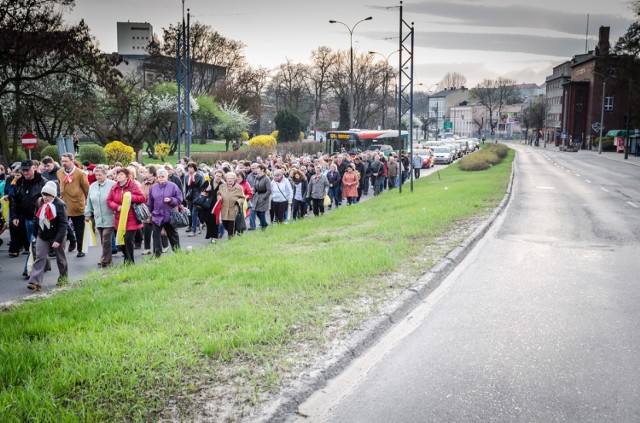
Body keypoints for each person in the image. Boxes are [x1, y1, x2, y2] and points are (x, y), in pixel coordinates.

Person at [27, 181, 68, 290]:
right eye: (44, 194)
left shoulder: (60, 204)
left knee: (61, 258)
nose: (45, 197)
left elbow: (63, 224)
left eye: (48, 195)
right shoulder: (40, 201)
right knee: (40, 257)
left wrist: (58, 240)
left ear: (53, 195)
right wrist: (35, 234)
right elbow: (36, 218)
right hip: (42, 234)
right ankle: (35, 282)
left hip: (57, 235)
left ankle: (63, 278)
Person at [10, 160, 46, 276]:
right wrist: (15, 216)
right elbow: (14, 200)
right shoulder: (19, 182)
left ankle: (28, 268)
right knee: (36, 244)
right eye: (23, 170)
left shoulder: (42, 182)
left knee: (33, 242)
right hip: (26, 218)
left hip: (40, 218)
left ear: (34, 168)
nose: (25, 173)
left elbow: (50, 199)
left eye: (27, 170)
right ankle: (42, 264)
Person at [107, 167, 145, 265]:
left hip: (132, 218)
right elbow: (109, 200)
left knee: (128, 239)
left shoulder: (133, 185)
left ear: (127, 176)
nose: (118, 176)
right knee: (121, 240)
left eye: (121, 175)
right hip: (119, 218)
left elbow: (142, 198)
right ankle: (126, 260)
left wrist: (130, 197)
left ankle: (130, 262)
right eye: (117, 175)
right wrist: (117, 207)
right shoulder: (114, 187)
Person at [57, 153, 90, 257]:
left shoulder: (80, 173)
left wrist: (85, 203)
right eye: (62, 161)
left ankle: (81, 249)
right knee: (62, 226)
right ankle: (70, 241)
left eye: (66, 161)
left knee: (79, 229)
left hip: (77, 205)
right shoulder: (59, 172)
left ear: (72, 161)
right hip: (63, 204)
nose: (64, 163)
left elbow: (86, 189)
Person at [85, 165, 116, 268]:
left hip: (110, 216)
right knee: (103, 240)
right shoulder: (92, 186)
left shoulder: (112, 185)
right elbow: (88, 201)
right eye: (96, 175)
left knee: (106, 237)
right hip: (98, 217)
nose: (98, 177)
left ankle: (104, 259)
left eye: (100, 175)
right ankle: (109, 259)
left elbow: (117, 199)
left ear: (105, 175)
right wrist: (88, 213)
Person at [147, 168, 182, 258]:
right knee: (155, 235)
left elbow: (179, 199)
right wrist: (149, 212)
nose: (161, 178)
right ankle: (156, 254)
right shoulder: (153, 187)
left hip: (169, 215)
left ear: (167, 177)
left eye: (163, 176)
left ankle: (178, 253)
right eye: (159, 176)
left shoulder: (173, 186)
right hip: (157, 215)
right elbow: (150, 202)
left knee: (173, 234)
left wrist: (171, 200)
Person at [216, 172, 245, 238]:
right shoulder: (221, 186)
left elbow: (242, 198)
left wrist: (238, 202)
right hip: (224, 209)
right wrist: (219, 196)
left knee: (231, 226)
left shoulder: (239, 187)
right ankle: (232, 235)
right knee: (225, 224)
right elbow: (218, 193)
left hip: (233, 209)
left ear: (234, 179)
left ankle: (231, 239)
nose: (229, 180)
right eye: (228, 178)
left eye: (231, 178)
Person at [185, 162, 204, 236]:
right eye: (189, 167)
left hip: (197, 196)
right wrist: (185, 196)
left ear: (194, 168)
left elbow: (202, 187)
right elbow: (186, 187)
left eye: (191, 167)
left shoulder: (199, 176)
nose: (189, 169)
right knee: (190, 212)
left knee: (194, 212)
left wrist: (201, 197)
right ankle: (199, 224)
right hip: (190, 196)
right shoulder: (187, 176)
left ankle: (194, 230)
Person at [252, 164, 271, 230]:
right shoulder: (256, 177)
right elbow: (254, 186)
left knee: (262, 213)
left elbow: (269, 190)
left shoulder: (266, 179)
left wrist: (264, 198)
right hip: (257, 197)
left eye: (258, 168)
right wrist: (253, 191)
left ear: (262, 170)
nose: (256, 170)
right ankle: (265, 224)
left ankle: (263, 227)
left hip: (263, 197)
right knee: (257, 213)